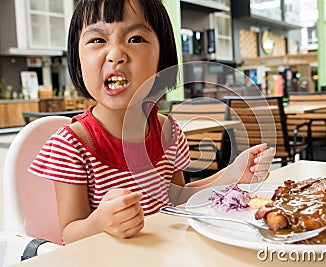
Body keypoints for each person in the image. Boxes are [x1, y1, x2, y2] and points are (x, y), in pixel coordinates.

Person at [29, 0, 276, 244]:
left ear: (163, 57)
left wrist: (232, 175)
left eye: (135, 39)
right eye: (97, 40)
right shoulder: (72, 145)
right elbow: (69, 235)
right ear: (77, 57)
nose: (116, 54)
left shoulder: (168, 131)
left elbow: (178, 199)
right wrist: (101, 222)